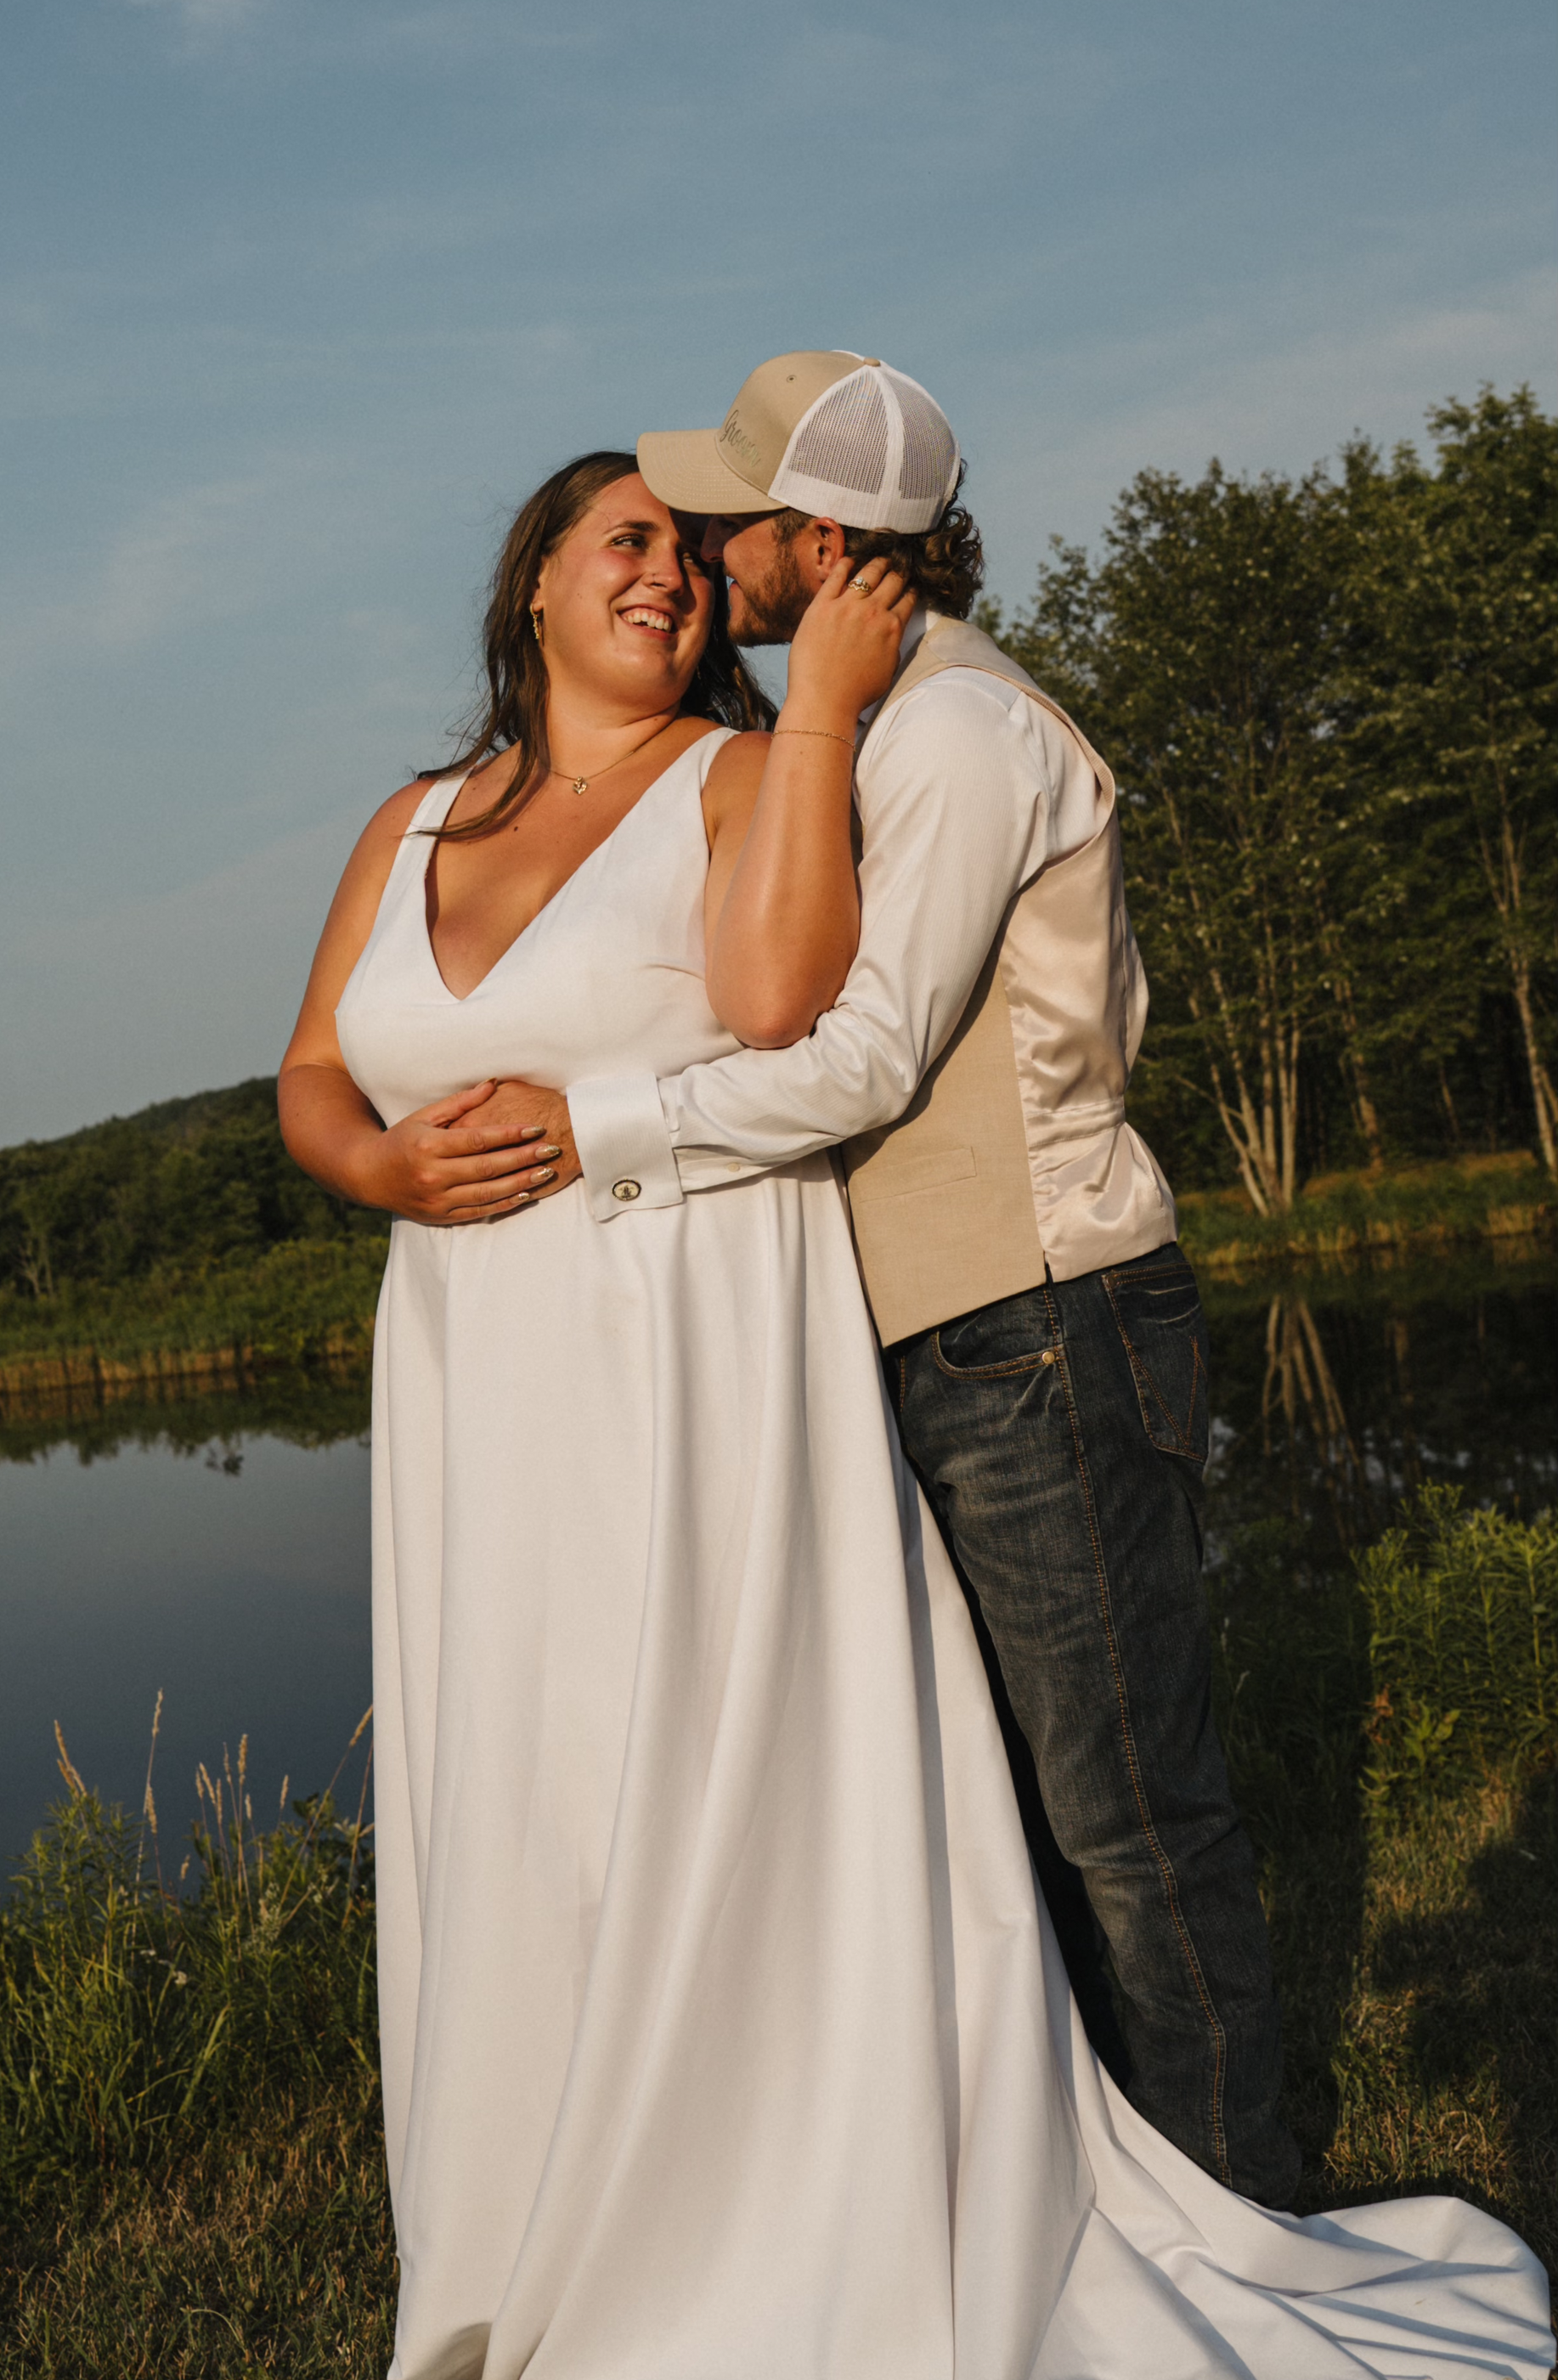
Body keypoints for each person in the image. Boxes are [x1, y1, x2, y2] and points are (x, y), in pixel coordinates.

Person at [278, 442, 1549, 2380]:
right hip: (470, 1364)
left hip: (680, 1327)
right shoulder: (408, 818)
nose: (670, 582)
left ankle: (759, 2221)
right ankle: (542, 2225)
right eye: (629, 545)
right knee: (517, 1778)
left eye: (696, 564)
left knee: (708, 1761)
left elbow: (791, 1005)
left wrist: (821, 721)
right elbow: (316, 1067)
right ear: (527, 584)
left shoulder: (742, 768)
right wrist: (377, 1159)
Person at [507, 348, 1295, 2205]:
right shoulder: (869, 729)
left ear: (814, 538)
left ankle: (1237, 2202)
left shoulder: (954, 736)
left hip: (1041, 1315)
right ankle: (1105, 2195)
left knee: (1122, 1811)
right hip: (956, 1331)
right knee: (1007, 1803)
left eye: (727, 516)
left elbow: (862, 1059)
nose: (701, 545)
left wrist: (592, 1125)